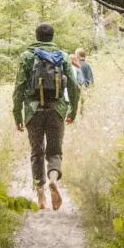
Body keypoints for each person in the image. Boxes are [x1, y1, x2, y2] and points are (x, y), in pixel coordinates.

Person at [13, 23, 80, 210]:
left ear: (36, 36)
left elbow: (19, 87)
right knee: (54, 151)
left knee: (36, 152)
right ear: (52, 37)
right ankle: (52, 179)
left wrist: (17, 114)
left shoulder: (26, 56)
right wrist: (73, 110)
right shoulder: (63, 56)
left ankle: (40, 194)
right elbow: (74, 86)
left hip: (33, 111)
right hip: (56, 110)